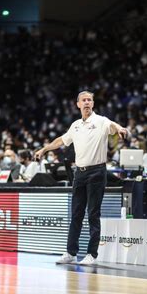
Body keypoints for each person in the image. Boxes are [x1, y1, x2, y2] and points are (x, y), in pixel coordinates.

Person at [35, 91, 127, 265]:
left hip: (97, 172)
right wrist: (44, 149)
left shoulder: (101, 121)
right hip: (80, 173)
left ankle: (92, 254)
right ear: (77, 104)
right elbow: (60, 141)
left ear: (92, 103)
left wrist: (120, 129)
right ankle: (71, 252)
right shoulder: (75, 125)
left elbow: (113, 126)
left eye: (89, 100)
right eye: (83, 100)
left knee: (93, 213)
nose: (87, 102)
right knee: (76, 214)